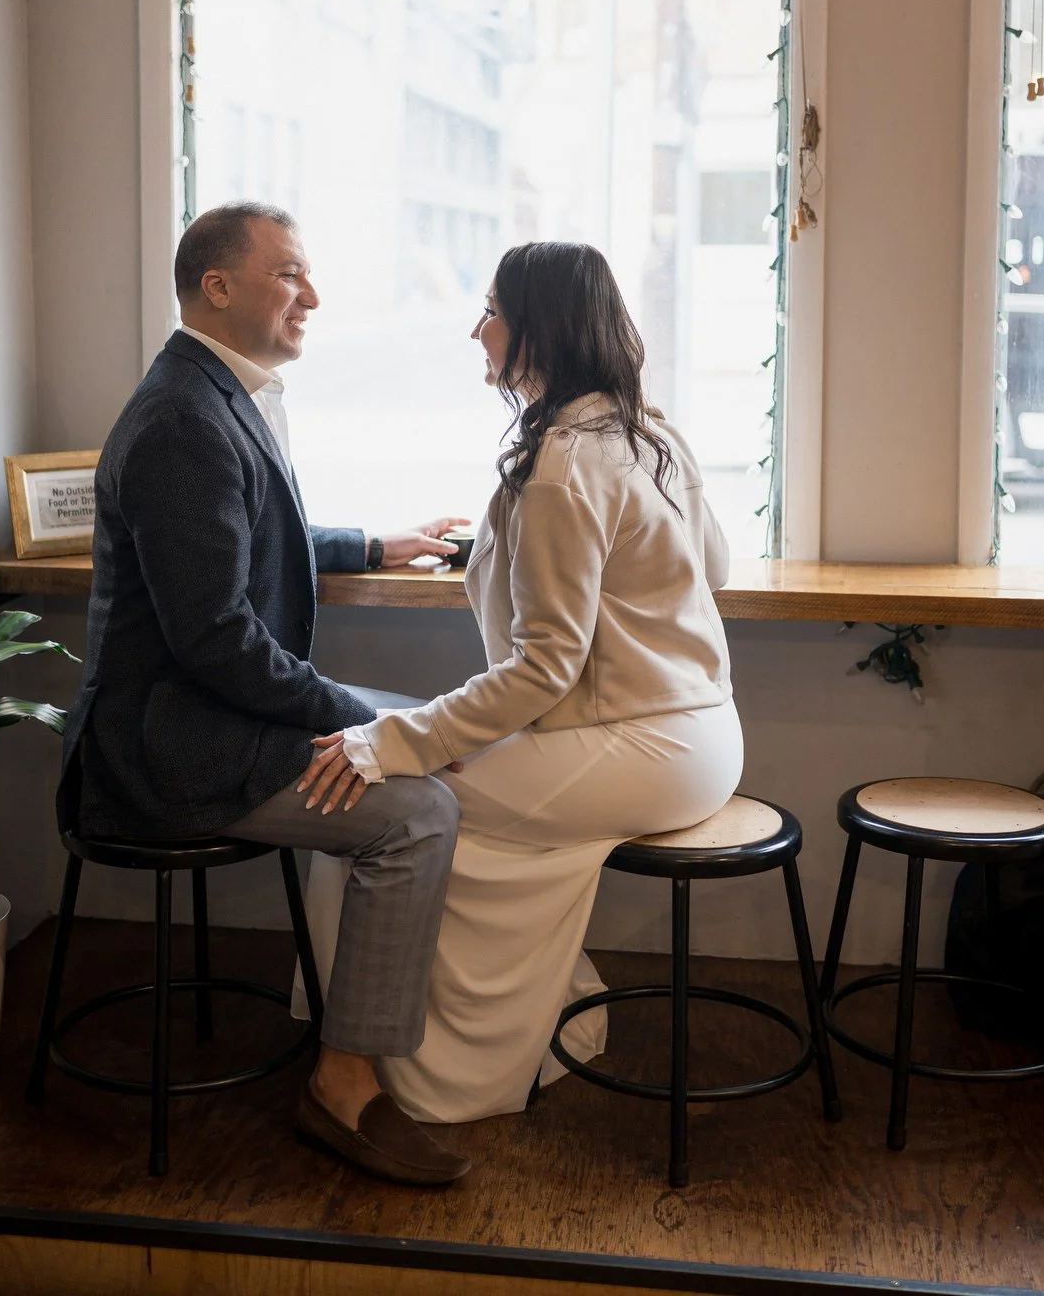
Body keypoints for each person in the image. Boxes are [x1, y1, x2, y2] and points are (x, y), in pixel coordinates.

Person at [60, 200, 473, 1184]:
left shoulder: (213, 396)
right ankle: (343, 1084)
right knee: (418, 809)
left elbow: (244, 536)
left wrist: (377, 544)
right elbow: (217, 639)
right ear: (218, 286)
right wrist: (369, 725)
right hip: (168, 747)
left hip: (211, 712)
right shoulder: (181, 421)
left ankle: (372, 1040)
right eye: (290, 274)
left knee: (422, 732)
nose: (313, 297)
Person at [301, 240, 743, 1123]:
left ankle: (407, 1080)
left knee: (353, 807)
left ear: (539, 328)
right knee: (441, 821)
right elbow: (714, 568)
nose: (477, 329)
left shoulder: (563, 466)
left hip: (633, 745)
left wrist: (392, 740)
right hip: (706, 737)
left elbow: (544, 667)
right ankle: (552, 1024)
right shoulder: (647, 432)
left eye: (493, 309)